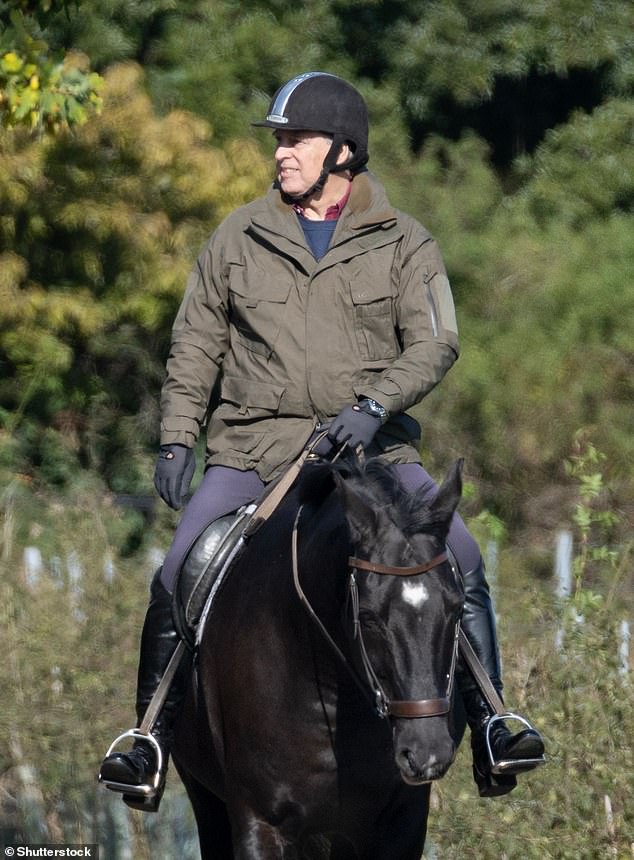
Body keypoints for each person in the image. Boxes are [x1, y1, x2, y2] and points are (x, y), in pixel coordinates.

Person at [99, 71, 544, 811]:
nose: (281, 153)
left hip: (374, 455)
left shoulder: (406, 241)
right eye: (278, 141)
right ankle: (147, 738)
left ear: (343, 150)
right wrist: (178, 436)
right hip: (253, 450)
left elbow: (436, 342)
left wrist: (376, 404)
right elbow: (194, 345)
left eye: (295, 139)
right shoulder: (236, 236)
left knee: (459, 555)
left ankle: (495, 721)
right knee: (181, 566)